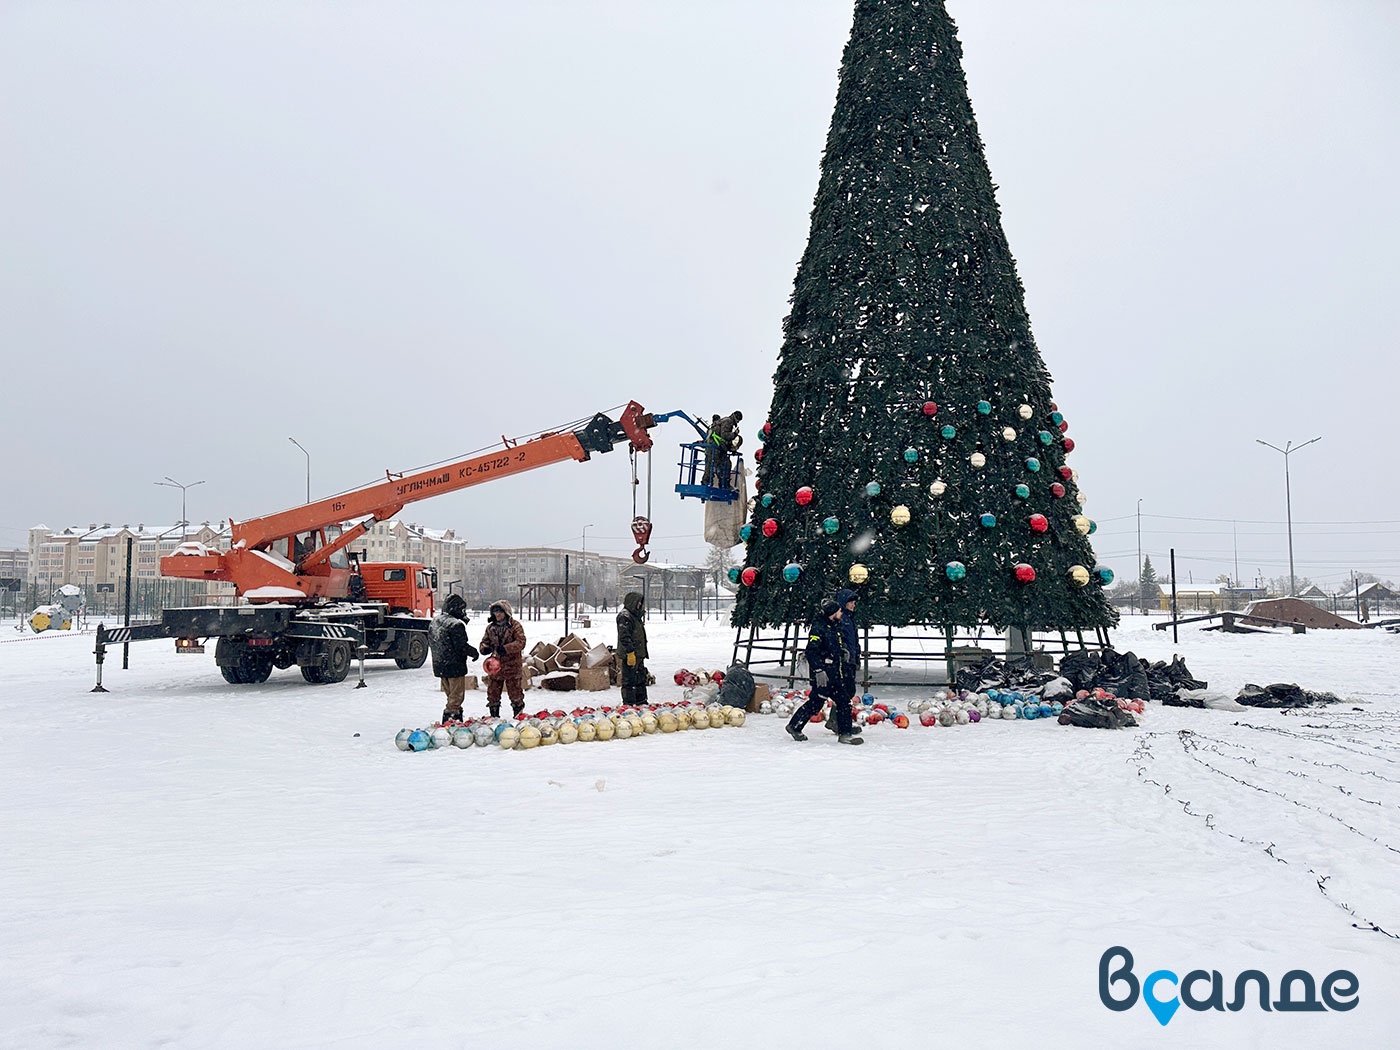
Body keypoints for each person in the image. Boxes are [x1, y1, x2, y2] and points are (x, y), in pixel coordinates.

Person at [785, 600, 862, 745]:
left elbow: (833, 647)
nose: (841, 614)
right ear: (833, 613)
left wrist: (842, 652)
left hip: (835, 674)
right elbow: (812, 651)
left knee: (844, 701)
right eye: (839, 611)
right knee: (816, 702)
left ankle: (845, 733)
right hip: (824, 675)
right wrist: (819, 670)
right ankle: (795, 725)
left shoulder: (834, 627)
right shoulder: (819, 628)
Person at [429, 593, 477, 722]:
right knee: (456, 697)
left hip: (440, 664)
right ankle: (451, 719)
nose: (463, 612)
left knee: (450, 694)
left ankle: (453, 717)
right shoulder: (456, 625)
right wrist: (474, 652)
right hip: (454, 666)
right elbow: (461, 646)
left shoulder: (435, 621)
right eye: (461, 609)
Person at [479, 599, 527, 718]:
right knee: (493, 695)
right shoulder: (491, 628)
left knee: (516, 695)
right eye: (495, 612)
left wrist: (506, 648)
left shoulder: (515, 626)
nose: (497, 614)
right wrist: (485, 648)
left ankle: (518, 717)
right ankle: (494, 717)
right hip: (495, 667)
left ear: (506, 612)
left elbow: (521, 642)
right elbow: (484, 642)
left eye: (500, 611)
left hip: (512, 666)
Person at [827, 587, 862, 736]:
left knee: (847, 690)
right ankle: (839, 722)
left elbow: (853, 639)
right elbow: (839, 639)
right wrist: (843, 654)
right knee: (844, 691)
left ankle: (836, 720)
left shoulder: (849, 619)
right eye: (851, 602)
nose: (853, 605)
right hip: (844, 661)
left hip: (850, 659)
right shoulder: (842, 619)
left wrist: (856, 654)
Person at [616, 590, 650, 705]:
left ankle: (641, 702)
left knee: (640, 679)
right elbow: (624, 636)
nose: (640, 605)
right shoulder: (625, 617)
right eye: (638, 603)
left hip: (639, 654)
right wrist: (630, 652)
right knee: (629, 681)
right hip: (630, 654)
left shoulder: (635, 616)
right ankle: (628, 703)